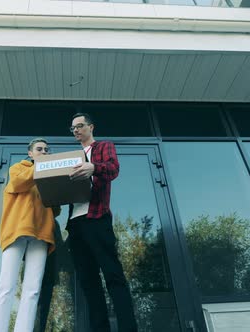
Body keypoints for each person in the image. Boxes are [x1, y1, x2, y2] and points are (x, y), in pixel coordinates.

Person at [67, 113, 138, 332]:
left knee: (113, 275)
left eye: (80, 126)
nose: (76, 130)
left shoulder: (103, 147)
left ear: (91, 127)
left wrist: (94, 168)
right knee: (89, 282)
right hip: (75, 225)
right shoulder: (72, 156)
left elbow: (113, 169)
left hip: (97, 219)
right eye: (73, 128)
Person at [0, 138, 59, 332]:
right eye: (39, 149)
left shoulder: (49, 175)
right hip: (17, 230)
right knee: (6, 286)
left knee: (33, 289)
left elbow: (55, 209)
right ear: (30, 153)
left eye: (46, 149)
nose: (44, 151)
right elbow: (19, 183)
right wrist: (43, 168)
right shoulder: (18, 168)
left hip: (41, 233)